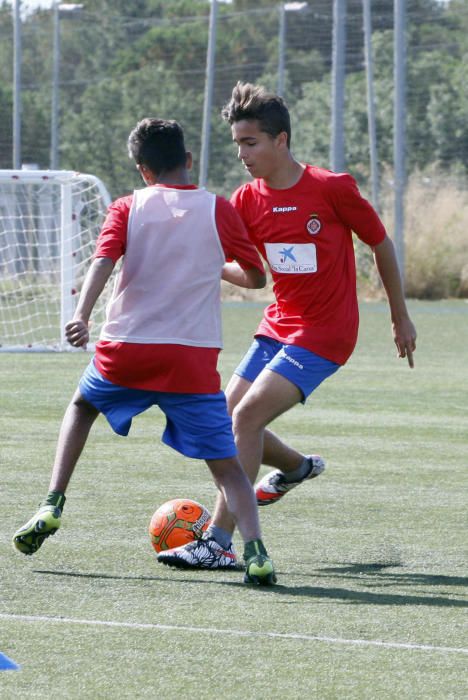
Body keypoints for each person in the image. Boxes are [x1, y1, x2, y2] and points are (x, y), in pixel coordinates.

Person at [159, 82, 417, 570]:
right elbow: (251, 274)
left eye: (250, 142)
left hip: (327, 331)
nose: (242, 154)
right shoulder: (246, 200)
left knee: (246, 419)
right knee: (225, 418)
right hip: (278, 324)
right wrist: (207, 266)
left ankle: (217, 541)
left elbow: (381, 243)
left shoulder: (330, 187)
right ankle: (296, 468)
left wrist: (399, 315)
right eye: (236, 143)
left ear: (281, 140)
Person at [12, 117, 277, 586]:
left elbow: (103, 260)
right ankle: (255, 551)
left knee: (81, 407)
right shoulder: (217, 209)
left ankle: (52, 502)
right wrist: (215, 267)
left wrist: (81, 315)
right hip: (190, 357)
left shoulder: (127, 207)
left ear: (142, 170)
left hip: (126, 347)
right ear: (189, 161)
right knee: (229, 469)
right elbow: (256, 277)